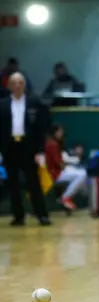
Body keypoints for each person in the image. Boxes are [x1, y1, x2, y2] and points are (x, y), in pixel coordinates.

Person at [0, 72, 51, 226]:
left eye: (20, 83)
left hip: (28, 147)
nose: (17, 86)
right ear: (8, 86)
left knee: (33, 181)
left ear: (25, 85)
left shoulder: (34, 103)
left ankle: (42, 214)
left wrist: (40, 151)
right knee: (13, 183)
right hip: (9, 147)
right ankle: (18, 216)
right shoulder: (2, 105)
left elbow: (41, 128)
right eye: (13, 83)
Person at [44, 124, 87, 210]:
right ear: (54, 133)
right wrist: (67, 165)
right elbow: (60, 164)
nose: (62, 133)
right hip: (54, 174)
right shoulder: (53, 144)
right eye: (60, 132)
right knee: (82, 174)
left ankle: (73, 198)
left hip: (56, 171)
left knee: (81, 173)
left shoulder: (52, 143)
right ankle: (65, 197)